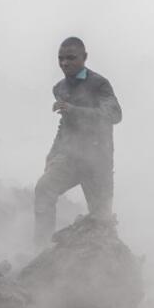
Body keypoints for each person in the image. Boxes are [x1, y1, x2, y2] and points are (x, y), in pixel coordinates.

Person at [33, 37, 123, 247]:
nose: (65, 63)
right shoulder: (60, 88)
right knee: (43, 189)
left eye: (71, 58)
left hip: (97, 161)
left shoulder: (99, 84)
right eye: (61, 58)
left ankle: (113, 269)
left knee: (102, 219)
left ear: (84, 57)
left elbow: (115, 114)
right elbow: (65, 125)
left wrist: (74, 110)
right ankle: (41, 250)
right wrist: (53, 153)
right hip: (70, 158)